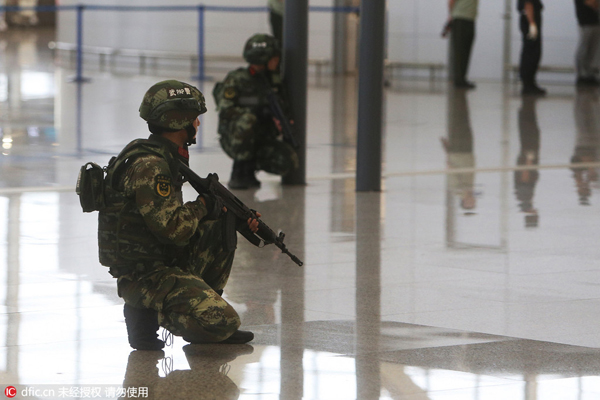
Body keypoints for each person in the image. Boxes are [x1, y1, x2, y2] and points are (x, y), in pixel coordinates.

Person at [99, 80, 258, 350]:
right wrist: (203, 206)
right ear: (178, 123)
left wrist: (225, 214)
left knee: (221, 226)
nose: (197, 125)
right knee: (225, 323)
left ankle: (202, 304)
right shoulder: (153, 167)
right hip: (145, 276)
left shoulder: (161, 156)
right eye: (194, 119)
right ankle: (145, 312)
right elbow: (173, 230)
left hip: (158, 261)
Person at [214, 33, 299, 190]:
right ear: (263, 60)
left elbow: (283, 107)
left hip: (261, 139)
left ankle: (251, 167)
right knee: (248, 120)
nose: (277, 60)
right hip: (235, 138)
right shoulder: (237, 79)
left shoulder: (274, 82)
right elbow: (225, 109)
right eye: (274, 57)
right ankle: (239, 171)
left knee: (288, 161)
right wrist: (256, 112)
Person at [446, 0, 479, 89]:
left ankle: (462, 79)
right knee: (459, 51)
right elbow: (451, 1)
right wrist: (451, 15)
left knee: (466, 50)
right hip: (460, 19)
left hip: (471, 19)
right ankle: (458, 80)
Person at [518, 0, 546, 96]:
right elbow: (528, 4)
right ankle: (527, 84)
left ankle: (530, 83)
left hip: (530, 19)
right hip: (529, 20)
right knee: (531, 53)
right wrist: (532, 23)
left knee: (533, 52)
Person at [574, 0, 600, 86]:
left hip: (594, 21)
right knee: (584, 48)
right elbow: (589, 2)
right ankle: (582, 74)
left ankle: (590, 74)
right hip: (586, 21)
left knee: (593, 50)